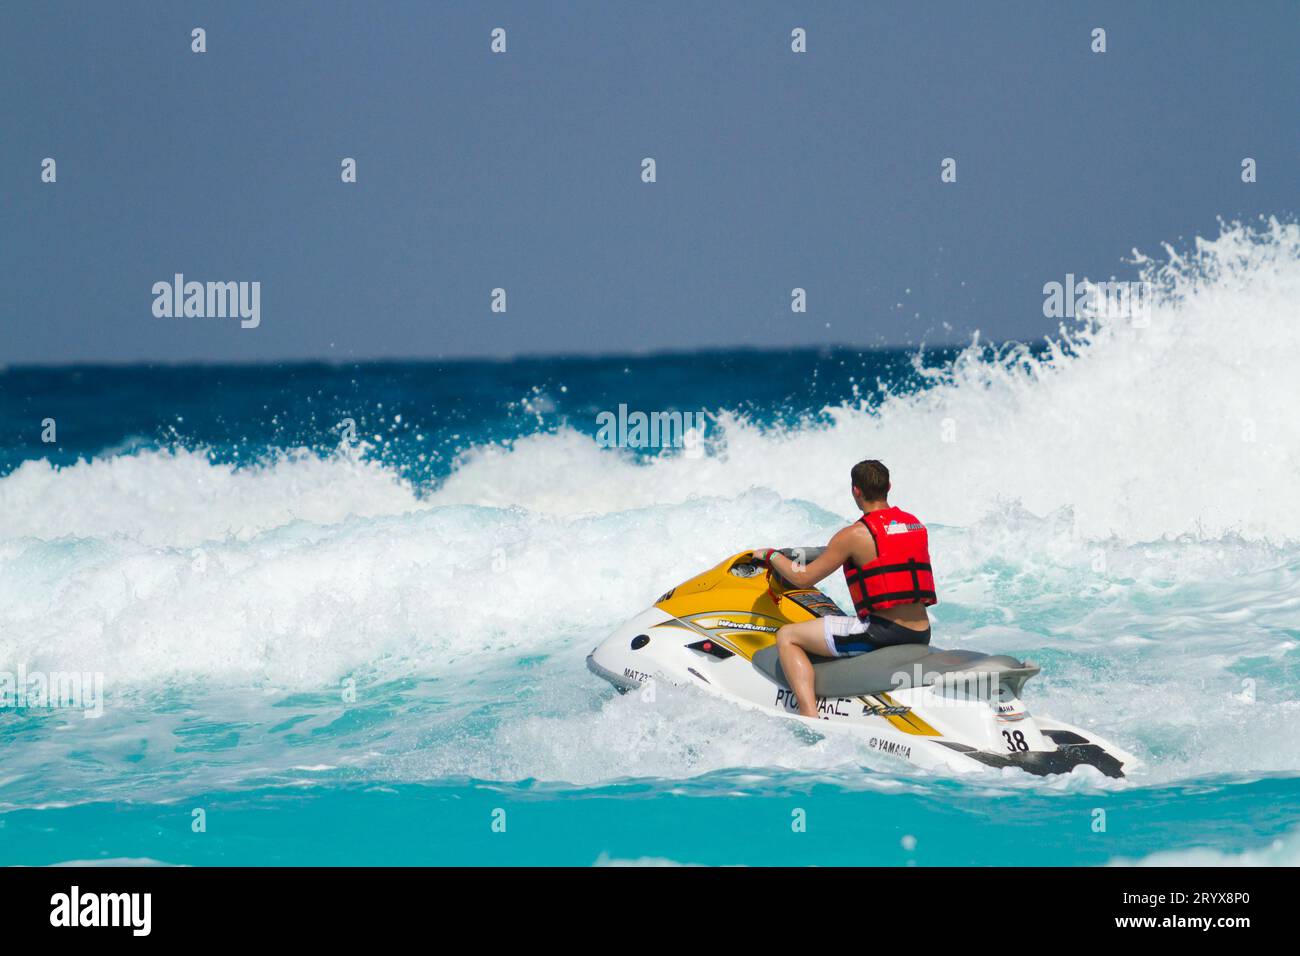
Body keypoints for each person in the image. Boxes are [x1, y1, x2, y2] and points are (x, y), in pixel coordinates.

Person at [754, 459, 937, 719]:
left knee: (787, 636)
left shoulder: (853, 535)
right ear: (889, 487)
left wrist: (771, 555)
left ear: (856, 491)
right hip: (920, 631)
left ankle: (809, 715)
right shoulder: (914, 525)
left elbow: (803, 579)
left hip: (881, 633)